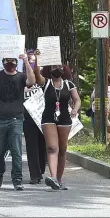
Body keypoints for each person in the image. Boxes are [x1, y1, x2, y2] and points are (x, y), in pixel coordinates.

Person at [0, 50, 35, 191]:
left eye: (13, 61)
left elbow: (32, 81)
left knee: (16, 151)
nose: (10, 63)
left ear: (17, 62)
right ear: (3, 62)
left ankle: (17, 179)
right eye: (7, 61)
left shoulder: (21, 76)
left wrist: (27, 62)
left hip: (16, 119)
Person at [34, 60, 81, 190]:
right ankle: (53, 177)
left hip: (65, 118)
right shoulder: (46, 82)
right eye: (54, 66)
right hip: (49, 117)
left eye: (60, 66)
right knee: (52, 148)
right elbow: (36, 75)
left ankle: (59, 179)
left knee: (63, 148)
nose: (58, 69)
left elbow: (77, 99)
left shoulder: (68, 84)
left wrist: (75, 109)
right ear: (49, 69)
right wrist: (38, 60)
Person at [22, 49, 47, 184]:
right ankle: (34, 174)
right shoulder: (22, 77)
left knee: (42, 144)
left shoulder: (44, 78)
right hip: (28, 116)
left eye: (33, 60)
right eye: (29, 60)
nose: (31, 63)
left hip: (43, 115)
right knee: (31, 145)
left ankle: (41, 169)